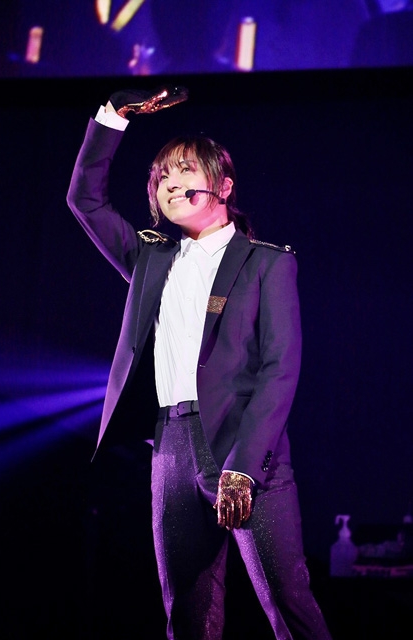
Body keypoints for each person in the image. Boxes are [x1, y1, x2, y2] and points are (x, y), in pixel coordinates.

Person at [67, 86, 333, 640]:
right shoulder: (151, 258)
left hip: (244, 448)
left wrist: (244, 466)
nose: (170, 183)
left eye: (184, 170)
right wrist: (114, 116)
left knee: (286, 602)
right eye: (161, 177)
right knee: (188, 612)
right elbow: (85, 201)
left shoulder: (265, 265)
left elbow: (280, 368)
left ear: (224, 186)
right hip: (170, 446)